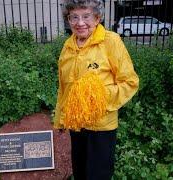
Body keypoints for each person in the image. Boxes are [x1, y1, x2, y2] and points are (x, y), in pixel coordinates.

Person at [53, 0, 139, 179]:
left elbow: (129, 82)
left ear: (97, 18)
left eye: (86, 16)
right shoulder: (68, 47)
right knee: (80, 173)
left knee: (98, 175)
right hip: (76, 124)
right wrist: (61, 119)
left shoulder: (110, 41)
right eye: (74, 17)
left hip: (102, 126)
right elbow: (64, 87)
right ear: (68, 20)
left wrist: (97, 99)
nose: (80, 22)